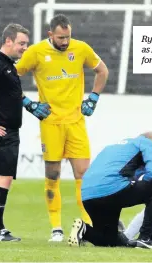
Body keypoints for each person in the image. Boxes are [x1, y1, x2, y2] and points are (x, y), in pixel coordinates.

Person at [15, 14, 109, 242]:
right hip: (51, 123)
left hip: (76, 122)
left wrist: (93, 98)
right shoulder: (36, 52)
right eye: (60, 37)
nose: (65, 41)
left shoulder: (81, 48)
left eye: (68, 37)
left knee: (83, 176)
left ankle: (88, 225)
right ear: (50, 35)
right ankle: (56, 228)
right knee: (53, 176)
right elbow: (10, 77)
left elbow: (102, 70)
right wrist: (28, 103)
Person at [0, 24, 50, 241]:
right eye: (21, 43)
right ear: (8, 41)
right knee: (4, 178)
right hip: (1, 132)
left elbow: (10, 94)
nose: (25, 48)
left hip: (8, 131)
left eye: (26, 43)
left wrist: (29, 105)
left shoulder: (7, 65)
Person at [67, 132, 152, 249]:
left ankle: (84, 230)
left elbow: (125, 172)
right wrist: (146, 181)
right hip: (111, 189)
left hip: (88, 196)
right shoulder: (146, 142)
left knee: (108, 240)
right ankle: (146, 239)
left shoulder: (113, 147)